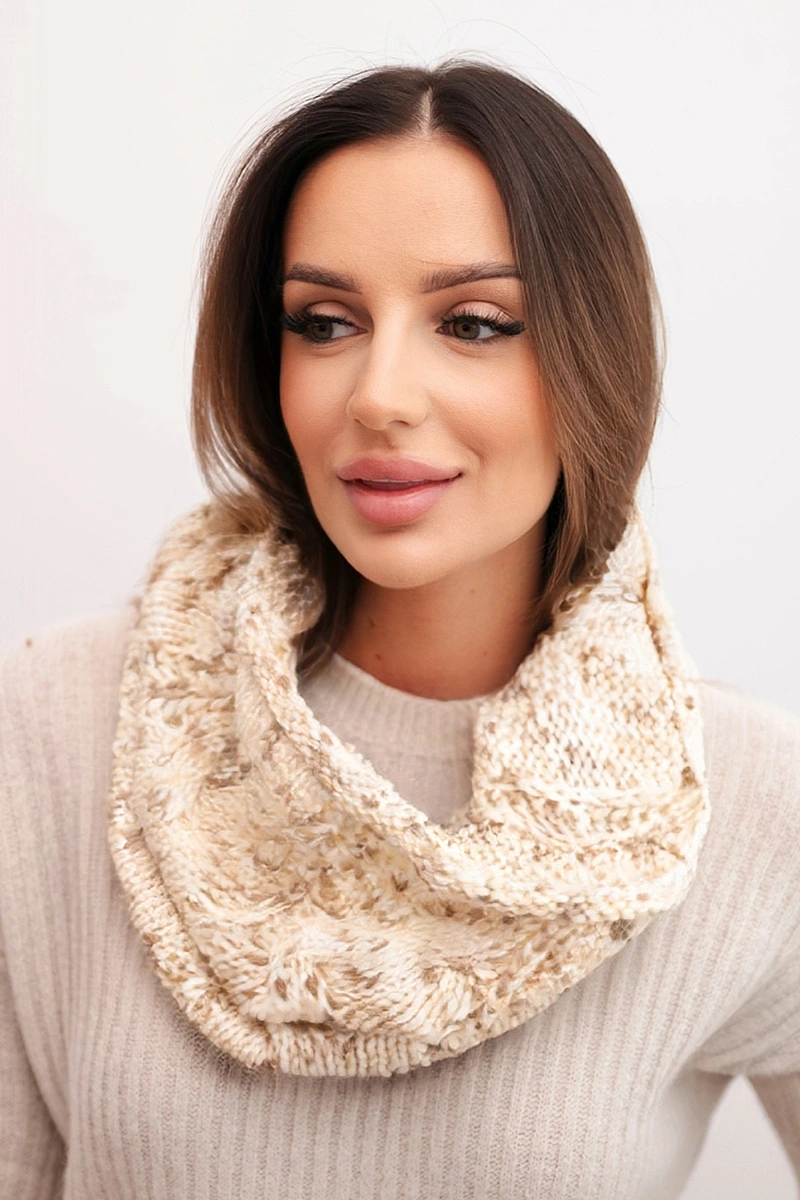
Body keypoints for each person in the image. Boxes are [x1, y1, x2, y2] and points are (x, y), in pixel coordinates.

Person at [1, 59, 798, 1200]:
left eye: (472, 323)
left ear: (594, 356)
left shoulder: (749, 805)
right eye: (323, 323)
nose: (377, 394)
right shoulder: (57, 722)